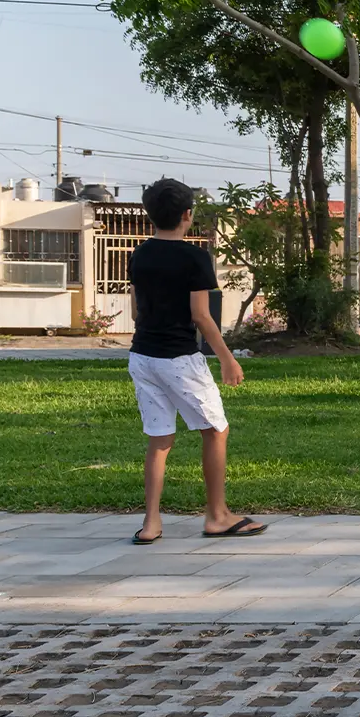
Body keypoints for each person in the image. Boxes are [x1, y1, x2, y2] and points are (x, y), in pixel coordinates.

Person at [127, 178, 265, 545]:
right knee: (216, 430)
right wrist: (228, 359)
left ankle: (151, 523)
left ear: (151, 215)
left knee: (159, 438)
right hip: (179, 359)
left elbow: (136, 310)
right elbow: (201, 315)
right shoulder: (195, 258)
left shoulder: (139, 255)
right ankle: (217, 516)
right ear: (188, 215)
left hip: (142, 357)